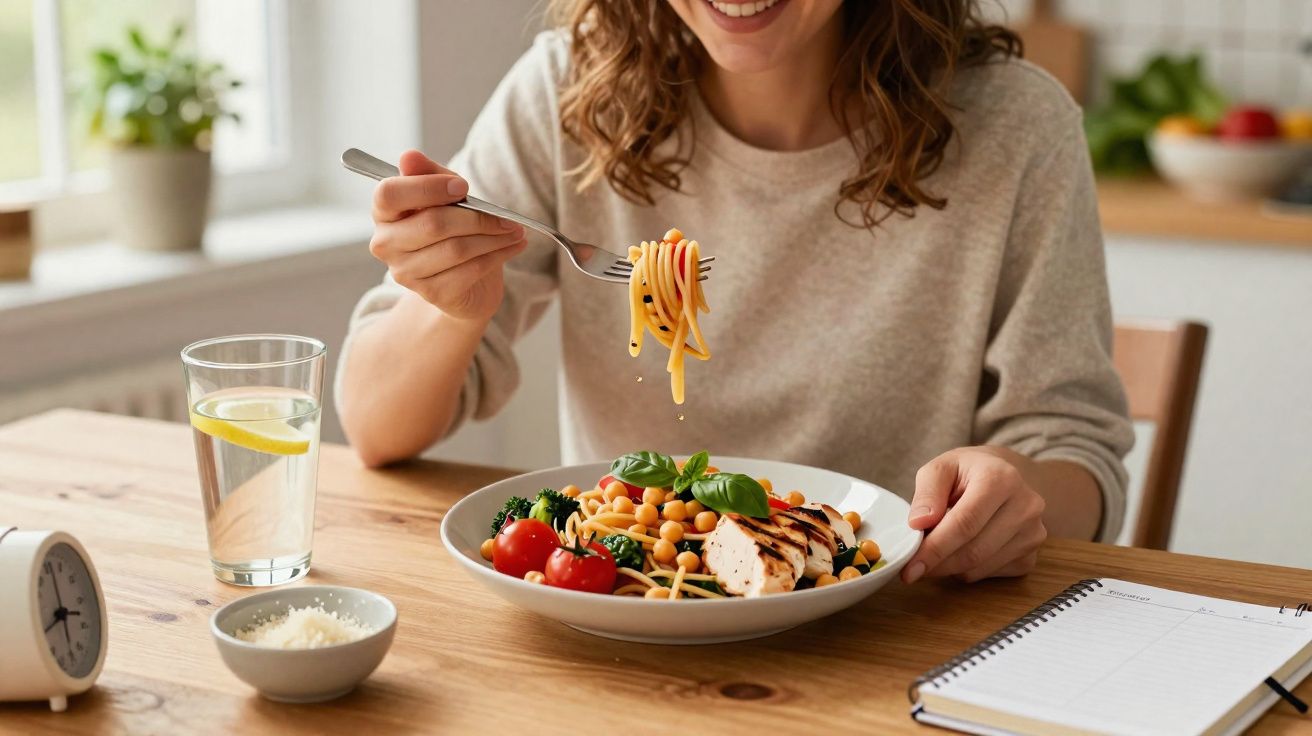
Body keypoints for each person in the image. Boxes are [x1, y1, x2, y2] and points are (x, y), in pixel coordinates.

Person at [337, 0, 1134, 586]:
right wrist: (449, 310)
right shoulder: (568, 94)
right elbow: (374, 428)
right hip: (626, 615)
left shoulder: (1018, 127)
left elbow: (1077, 460)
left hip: (895, 630)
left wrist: (1012, 490)